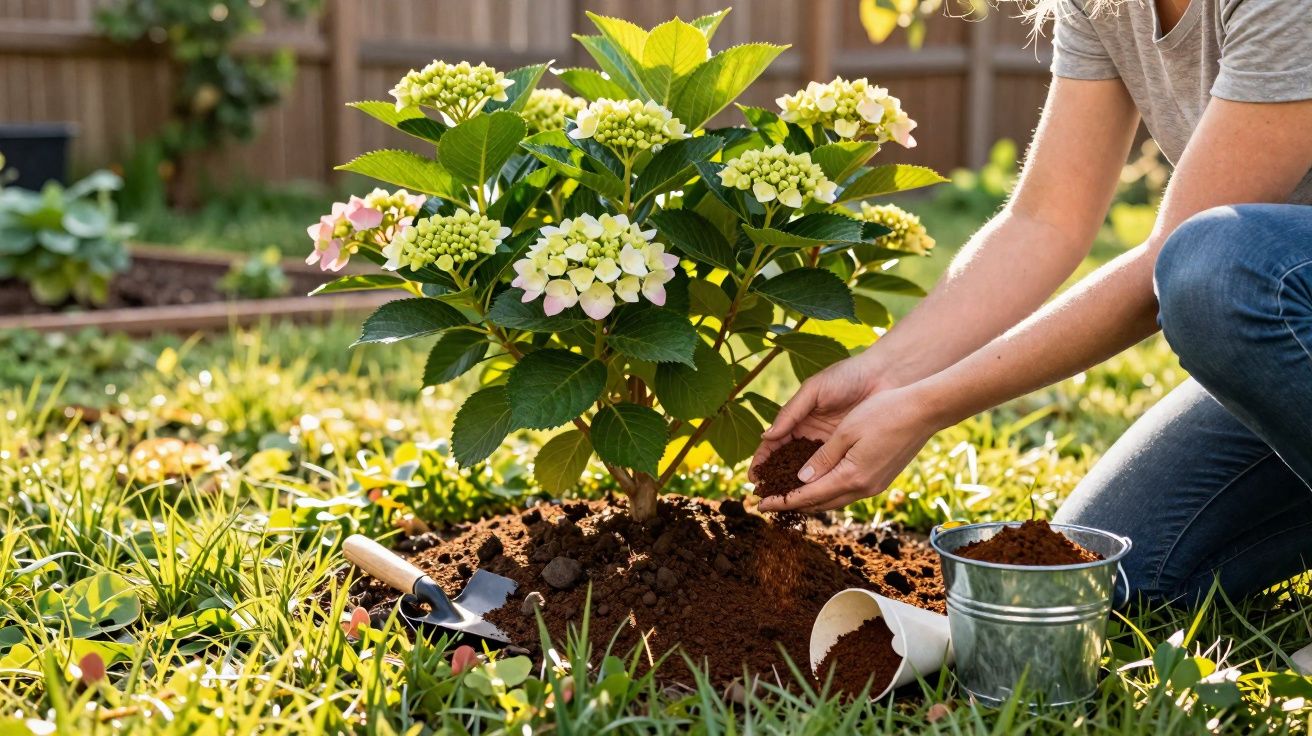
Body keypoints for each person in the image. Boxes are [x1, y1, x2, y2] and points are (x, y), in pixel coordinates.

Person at [752, 0, 1312, 605]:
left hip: (1265, 286)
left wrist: (926, 407)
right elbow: (1045, 220)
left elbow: (1176, 260)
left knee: (1217, 268)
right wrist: (886, 375)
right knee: (1104, 576)